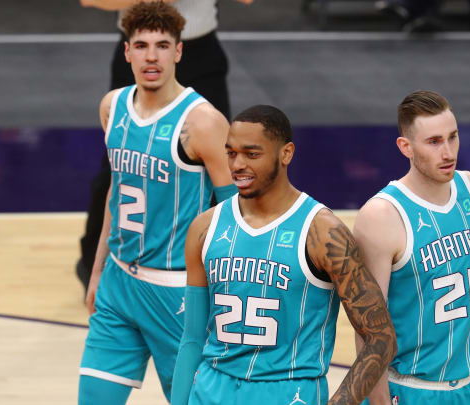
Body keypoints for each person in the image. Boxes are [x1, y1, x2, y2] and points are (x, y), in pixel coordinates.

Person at [170, 105, 397, 405]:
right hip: (211, 391)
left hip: (287, 394)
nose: (237, 164)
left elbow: (381, 338)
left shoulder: (324, 233)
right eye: (231, 153)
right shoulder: (204, 228)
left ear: (286, 153)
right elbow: (192, 340)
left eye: (252, 154)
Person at [77, 2, 238, 404]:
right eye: (142, 45)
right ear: (126, 51)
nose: (152, 56)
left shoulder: (201, 123)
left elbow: (235, 214)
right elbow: (116, 195)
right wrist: (96, 272)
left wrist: (224, 295)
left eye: (163, 45)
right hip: (118, 285)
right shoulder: (111, 107)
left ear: (179, 52)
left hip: (178, 294)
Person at [353, 91, 470, 404]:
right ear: (405, 147)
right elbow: (368, 327)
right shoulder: (381, 216)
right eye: (434, 141)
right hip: (411, 391)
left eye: (453, 137)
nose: (447, 152)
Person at [76, 0, 251, 291]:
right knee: (119, 170)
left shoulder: (206, 120)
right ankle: (96, 266)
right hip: (143, 45)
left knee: (221, 173)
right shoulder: (117, 96)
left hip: (200, 52)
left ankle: (226, 272)